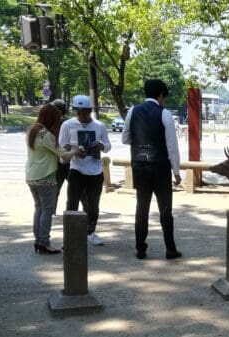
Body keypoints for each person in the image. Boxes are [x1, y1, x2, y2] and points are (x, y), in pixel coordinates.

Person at [122, 79, 182, 260]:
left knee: (142, 207)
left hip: (139, 165)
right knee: (165, 209)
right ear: (160, 94)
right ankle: (170, 249)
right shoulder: (165, 114)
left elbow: (125, 138)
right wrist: (176, 171)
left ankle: (141, 248)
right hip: (160, 166)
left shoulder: (133, 111)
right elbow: (172, 145)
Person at [58, 95, 111, 245]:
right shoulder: (68, 125)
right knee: (72, 203)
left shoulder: (99, 126)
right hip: (76, 169)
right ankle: (70, 236)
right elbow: (61, 146)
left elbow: (108, 146)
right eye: (78, 112)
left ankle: (90, 231)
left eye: (85, 112)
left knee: (93, 204)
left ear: (90, 111)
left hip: (95, 171)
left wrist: (101, 146)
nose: (81, 116)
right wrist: (73, 150)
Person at [25, 104, 76, 254]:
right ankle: (44, 242)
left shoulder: (32, 131)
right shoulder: (45, 134)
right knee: (47, 210)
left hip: (31, 176)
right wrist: (74, 149)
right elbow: (64, 156)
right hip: (45, 176)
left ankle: (38, 240)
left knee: (39, 208)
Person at [50, 99, 70, 203]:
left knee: (54, 190)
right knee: (76, 189)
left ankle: (51, 213)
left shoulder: (51, 124)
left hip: (56, 161)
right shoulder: (70, 123)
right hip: (70, 159)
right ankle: (86, 211)